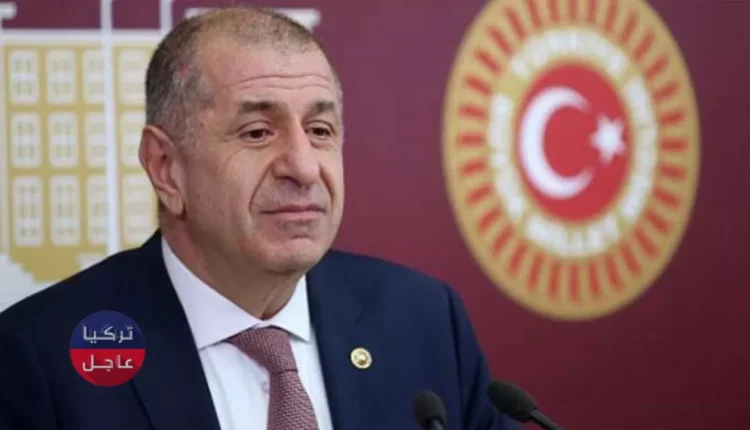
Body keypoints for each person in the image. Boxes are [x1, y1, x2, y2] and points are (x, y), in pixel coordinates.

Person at [0, 6, 516, 430]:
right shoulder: (40, 359)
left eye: (319, 130)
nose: (304, 167)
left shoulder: (423, 321)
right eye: (257, 133)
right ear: (166, 168)